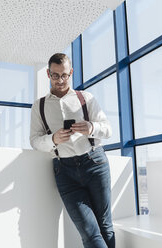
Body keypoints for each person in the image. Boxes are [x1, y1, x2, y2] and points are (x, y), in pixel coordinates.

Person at [29, 53, 115, 248]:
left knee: (105, 226)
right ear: (48, 73)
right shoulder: (39, 106)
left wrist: (91, 127)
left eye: (65, 75)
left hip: (95, 163)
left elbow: (108, 129)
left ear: (71, 73)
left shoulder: (86, 98)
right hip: (65, 171)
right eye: (55, 75)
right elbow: (34, 140)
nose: (60, 80)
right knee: (88, 231)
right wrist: (53, 139)